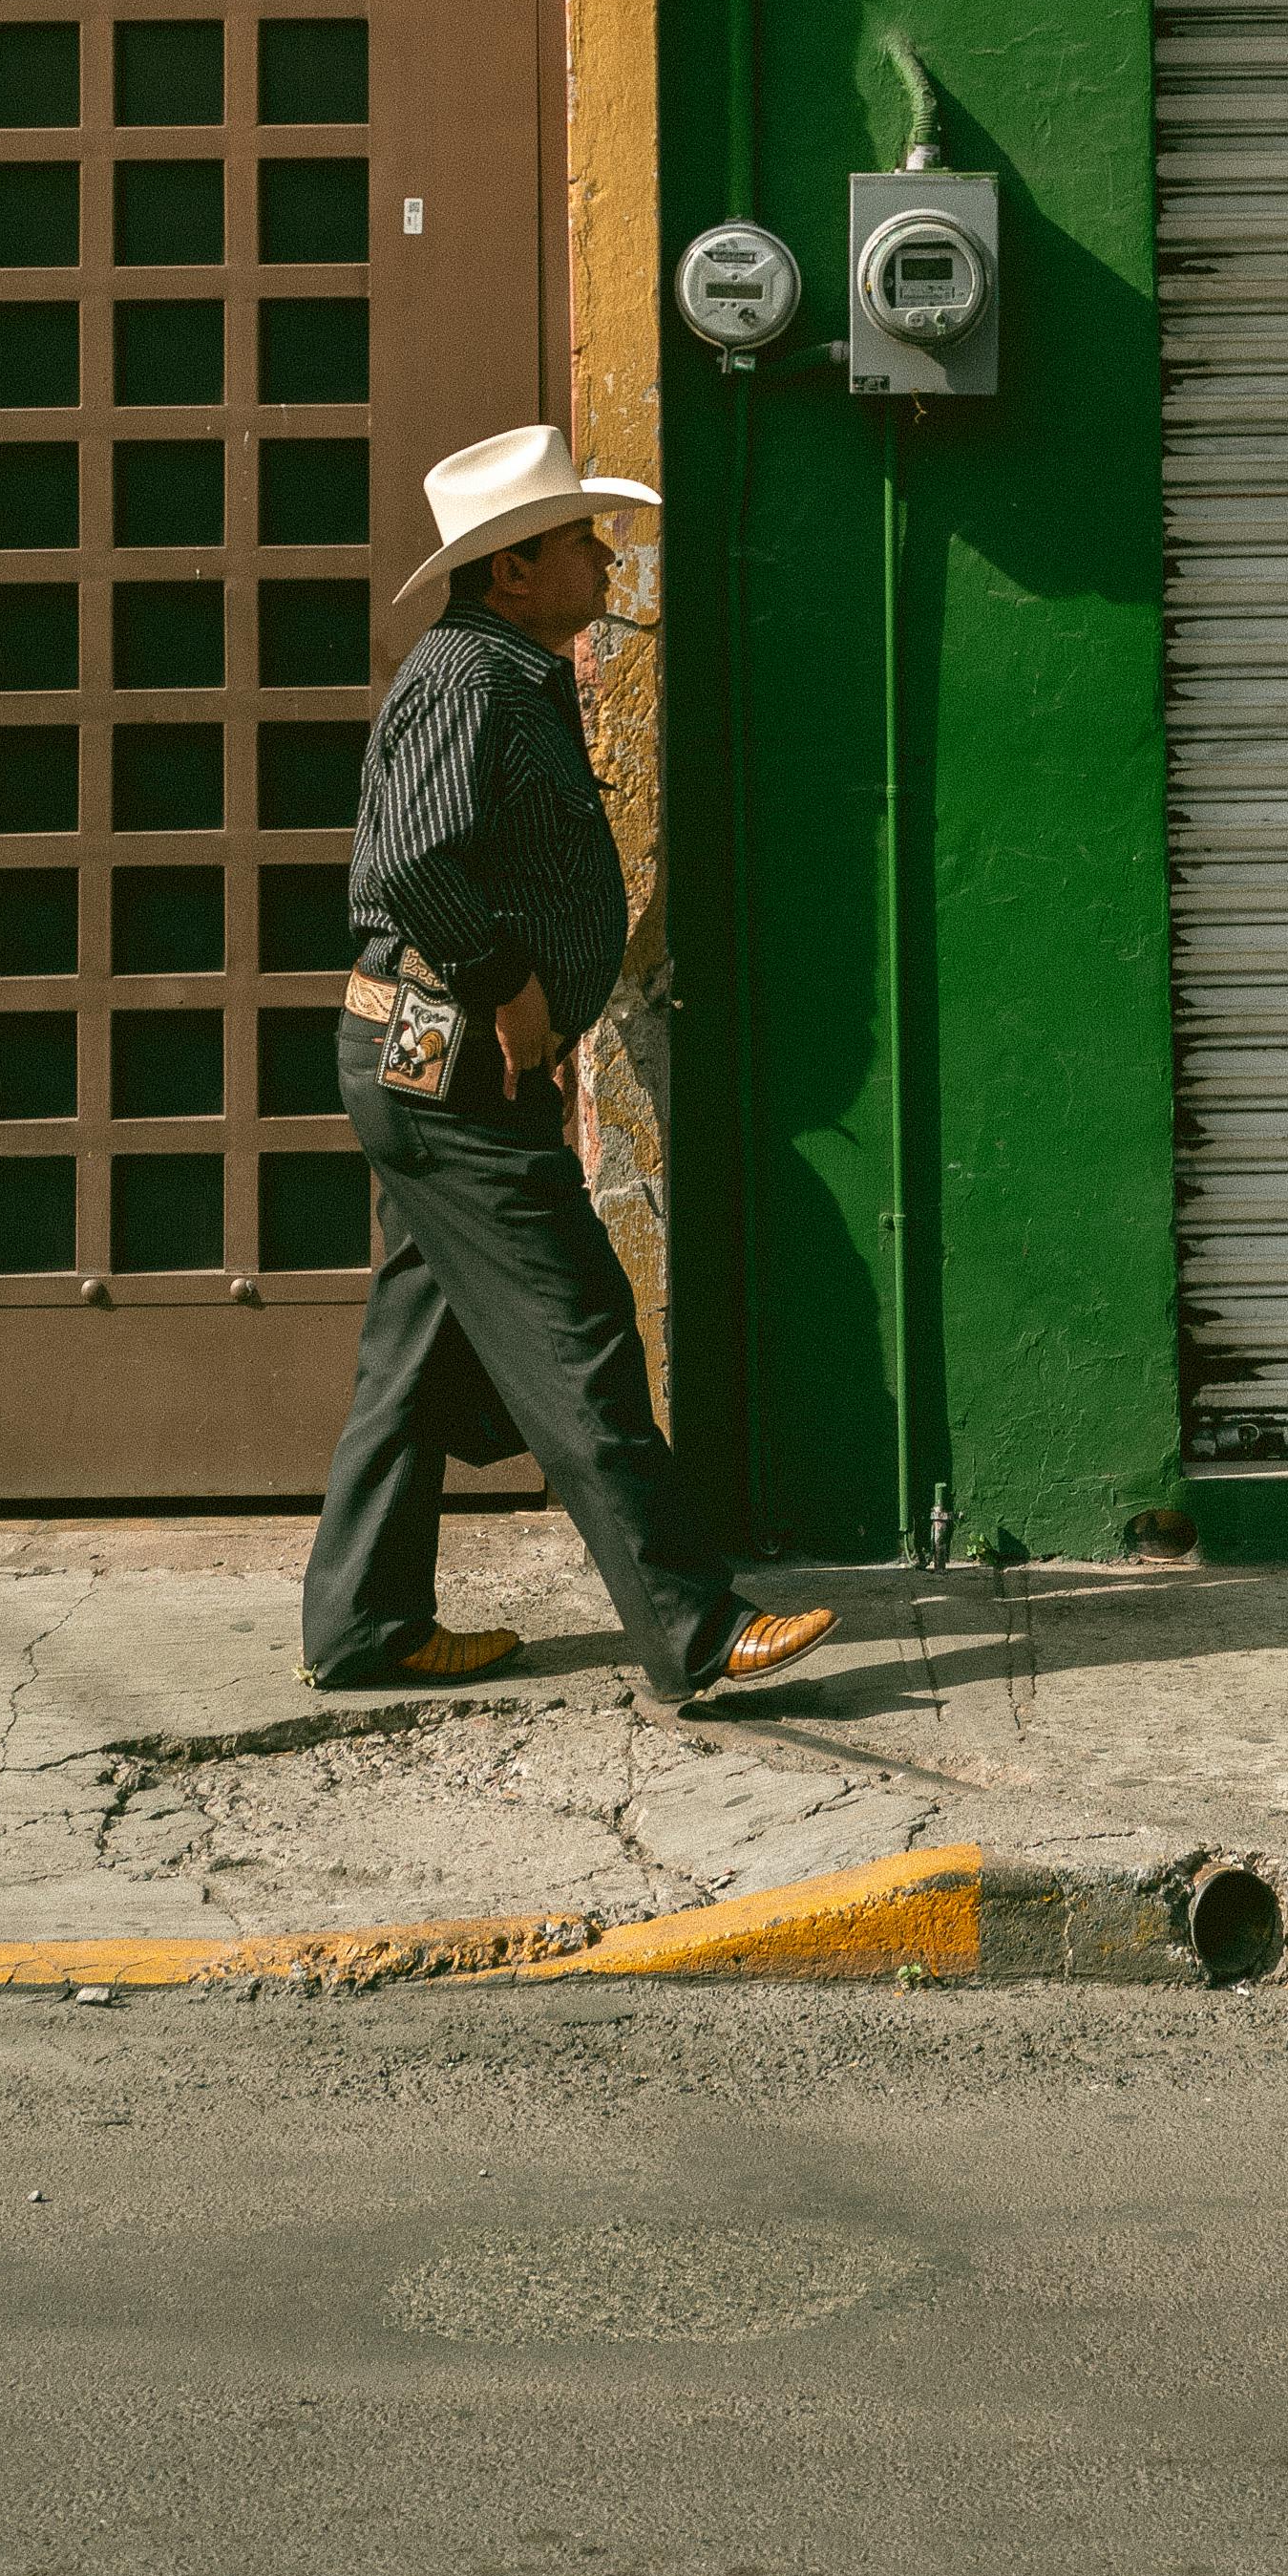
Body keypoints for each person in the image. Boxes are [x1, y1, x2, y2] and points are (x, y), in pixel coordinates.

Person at [299, 422, 837, 1705]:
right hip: (447, 1064)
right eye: (575, 540)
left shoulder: (500, 671)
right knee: (577, 1334)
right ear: (512, 574)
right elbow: (406, 864)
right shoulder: (472, 682)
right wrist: (509, 986)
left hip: (429, 1065)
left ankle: (365, 1621)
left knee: (413, 1352)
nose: (602, 556)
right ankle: (693, 1630)